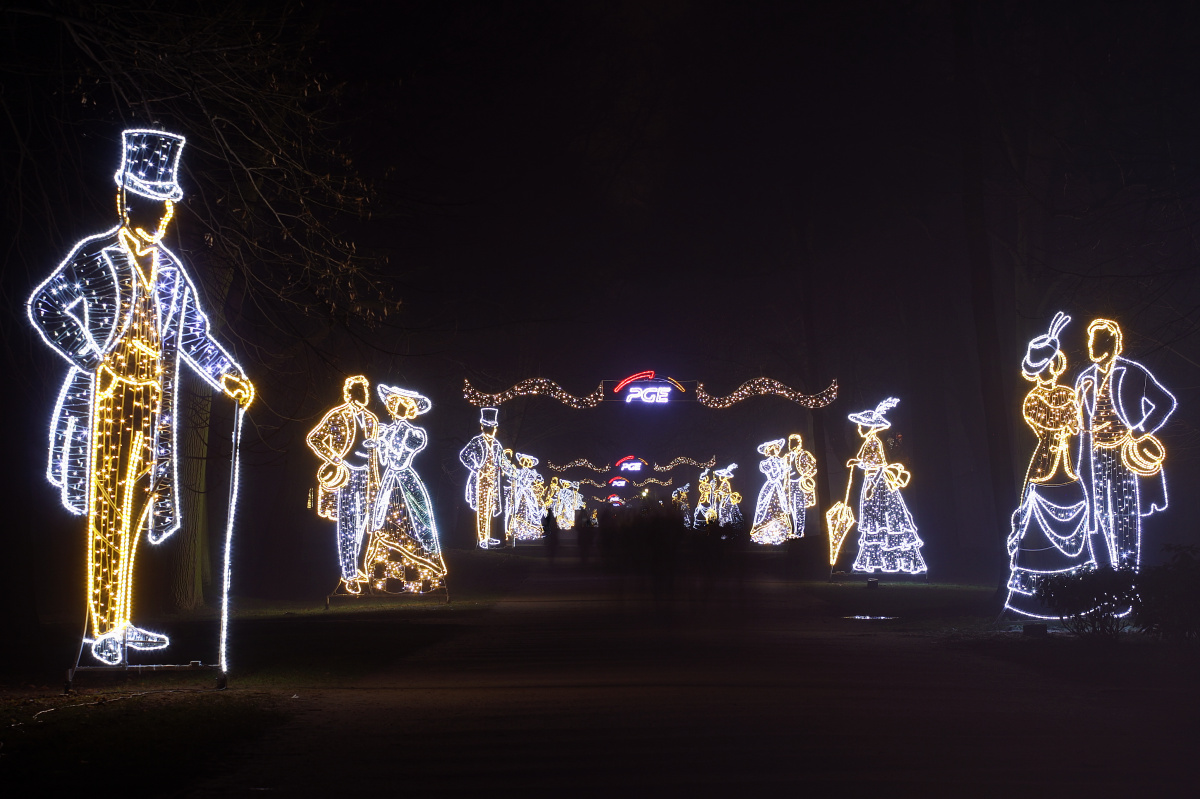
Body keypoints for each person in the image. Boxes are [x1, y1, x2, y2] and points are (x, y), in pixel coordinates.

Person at [28, 129, 254, 665]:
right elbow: (45, 306)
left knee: (133, 513)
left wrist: (230, 375)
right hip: (103, 403)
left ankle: (121, 620)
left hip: (153, 411)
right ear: (126, 201)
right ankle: (103, 628)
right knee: (106, 514)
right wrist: (91, 356)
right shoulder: (95, 256)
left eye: (168, 206)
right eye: (154, 205)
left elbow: (195, 336)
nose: (163, 216)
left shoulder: (173, 274)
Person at [1075, 318, 1176, 572]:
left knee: (1125, 515)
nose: (1090, 346)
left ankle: (1128, 573)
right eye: (1090, 341)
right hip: (1095, 455)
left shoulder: (1131, 372)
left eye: (1095, 342)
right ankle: (1109, 574)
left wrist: (1139, 430)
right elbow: (1079, 423)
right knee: (1099, 514)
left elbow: (1165, 401)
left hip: (1125, 453)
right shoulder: (1085, 378)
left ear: (1110, 345)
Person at [1006, 313, 1090, 616]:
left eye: (1051, 364)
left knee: (1077, 504)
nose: (1048, 371)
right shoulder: (1032, 400)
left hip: (1066, 466)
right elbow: (1050, 426)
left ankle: (1079, 587)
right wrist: (1062, 422)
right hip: (1043, 465)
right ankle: (1033, 592)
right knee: (1033, 520)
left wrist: (1068, 419)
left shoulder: (1068, 394)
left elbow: (1075, 425)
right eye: (1042, 367)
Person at [366, 384, 447, 593]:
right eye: (394, 404)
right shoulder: (387, 431)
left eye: (403, 405)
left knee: (417, 521)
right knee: (386, 520)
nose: (397, 408)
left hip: (406, 480)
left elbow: (402, 455)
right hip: (390, 478)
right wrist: (379, 444)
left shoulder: (415, 433)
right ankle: (386, 578)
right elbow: (385, 459)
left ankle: (422, 575)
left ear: (410, 409)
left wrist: (384, 440)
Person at [307, 375, 380, 594]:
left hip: (366, 475)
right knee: (347, 524)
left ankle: (354, 568)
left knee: (361, 525)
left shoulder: (371, 419)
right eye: (361, 391)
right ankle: (348, 574)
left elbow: (373, 454)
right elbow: (315, 438)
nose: (365, 395)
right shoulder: (338, 415)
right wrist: (336, 459)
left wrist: (375, 477)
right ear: (352, 393)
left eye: (365, 391)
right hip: (345, 475)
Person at [846, 398, 926, 574]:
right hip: (872, 480)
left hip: (876, 482)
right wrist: (858, 462)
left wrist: (871, 484)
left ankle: (888, 561)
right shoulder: (870, 442)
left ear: (871, 427)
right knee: (878, 520)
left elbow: (877, 465)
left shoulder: (874, 442)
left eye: (863, 424)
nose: (859, 428)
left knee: (881, 519)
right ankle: (880, 560)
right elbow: (869, 462)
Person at [459, 407, 509, 548]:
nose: (490, 430)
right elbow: (464, 455)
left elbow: (504, 462)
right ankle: (482, 539)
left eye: (492, 427)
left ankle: (488, 536)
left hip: (493, 482)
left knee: (492, 509)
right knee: (482, 510)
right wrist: (476, 468)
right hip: (480, 481)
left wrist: (513, 473)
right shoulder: (477, 441)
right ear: (482, 427)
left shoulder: (497, 445)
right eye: (487, 427)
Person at [750, 440, 790, 545]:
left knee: (780, 506)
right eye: (774, 449)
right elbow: (773, 476)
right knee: (767, 505)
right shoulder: (765, 463)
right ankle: (764, 531)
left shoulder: (780, 461)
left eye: (777, 448)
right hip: (770, 486)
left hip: (778, 486)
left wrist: (784, 468)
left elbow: (781, 476)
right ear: (769, 451)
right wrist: (781, 467)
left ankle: (781, 532)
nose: (777, 450)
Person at [785, 433, 818, 537]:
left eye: (793, 442)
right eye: (790, 442)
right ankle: (794, 531)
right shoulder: (788, 456)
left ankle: (799, 532)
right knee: (792, 508)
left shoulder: (804, 454)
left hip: (800, 484)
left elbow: (814, 467)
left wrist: (805, 476)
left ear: (799, 443)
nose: (791, 445)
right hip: (790, 485)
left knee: (799, 508)